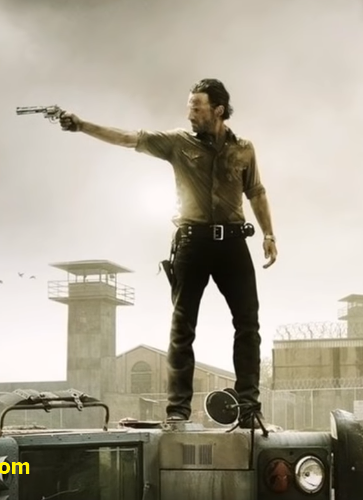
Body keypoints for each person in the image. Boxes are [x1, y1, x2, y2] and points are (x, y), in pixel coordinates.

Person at [57, 78, 277, 427]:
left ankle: (249, 408)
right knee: (182, 327)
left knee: (248, 325)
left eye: (197, 107)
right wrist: (82, 125)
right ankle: (178, 410)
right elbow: (129, 138)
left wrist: (268, 234)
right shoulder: (177, 142)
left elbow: (257, 191)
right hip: (192, 243)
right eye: (189, 106)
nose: (190, 113)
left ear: (218, 110)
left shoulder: (244, 149)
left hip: (234, 244)